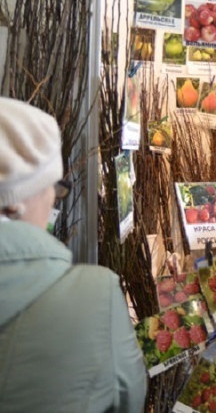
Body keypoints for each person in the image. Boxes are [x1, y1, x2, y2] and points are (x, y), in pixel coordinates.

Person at [0, 96, 147, 412]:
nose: (54, 200)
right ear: (15, 202)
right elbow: (128, 399)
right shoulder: (95, 295)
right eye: (54, 187)